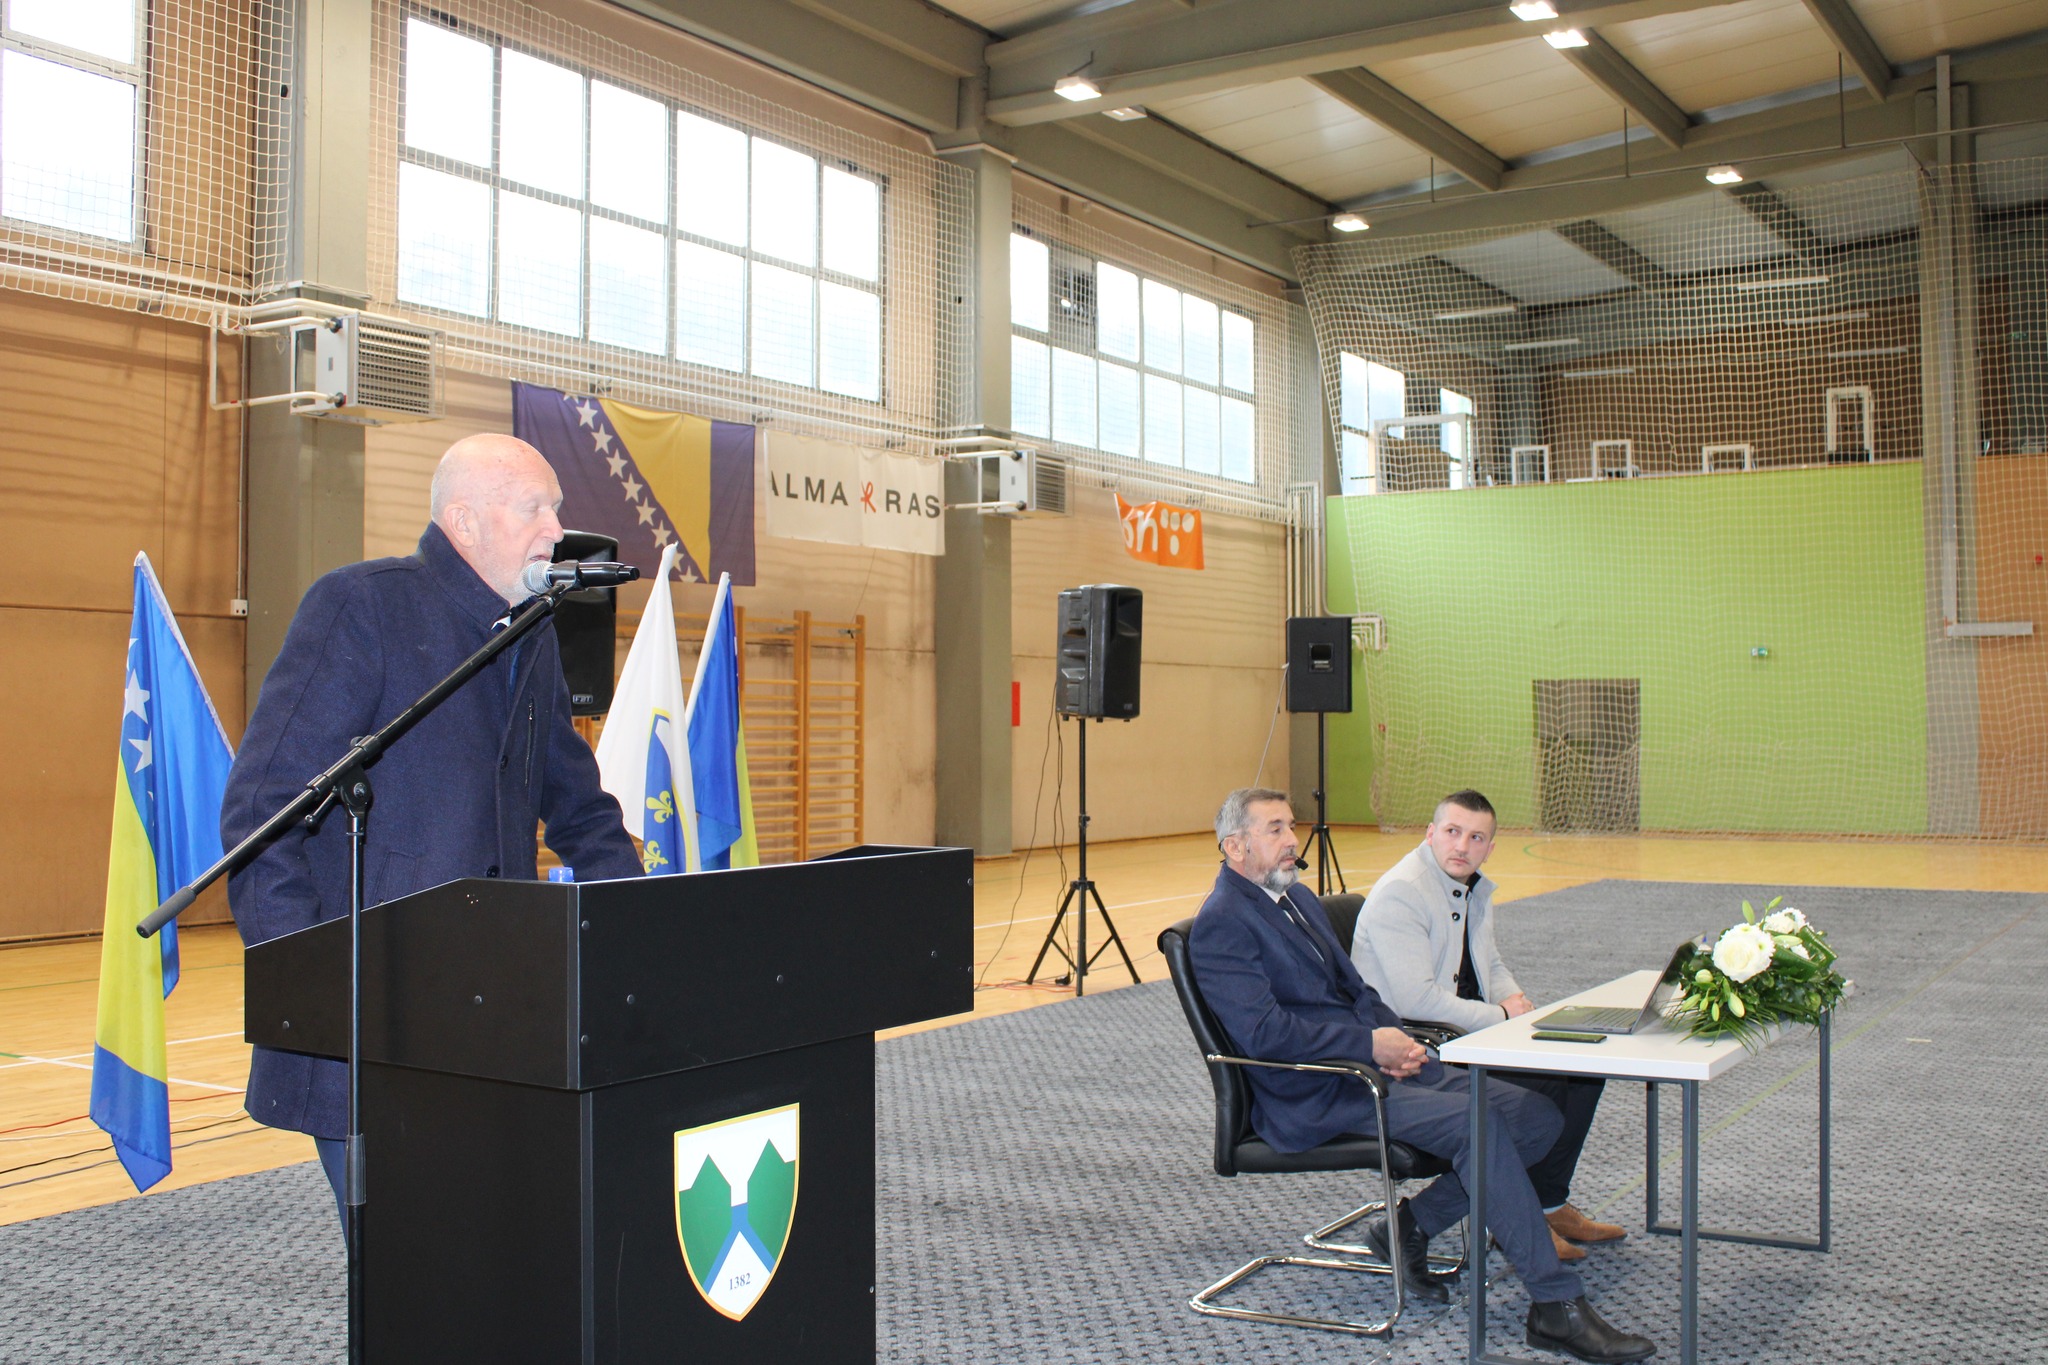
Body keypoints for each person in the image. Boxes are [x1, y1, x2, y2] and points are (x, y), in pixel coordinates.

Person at [222, 433, 644, 1221]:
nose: (557, 529)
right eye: (534, 507)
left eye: (555, 508)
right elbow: (261, 811)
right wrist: (314, 982)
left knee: (486, 1253)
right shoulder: (363, 606)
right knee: (409, 1263)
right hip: (371, 1026)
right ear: (465, 521)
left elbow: (580, 805)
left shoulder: (530, 631)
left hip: (497, 1018)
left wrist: (640, 926)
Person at [1188, 788, 1653, 1364]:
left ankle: (1409, 1224)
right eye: (1276, 829)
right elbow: (1264, 1034)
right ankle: (1555, 1305)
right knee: (1479, 1124)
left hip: (1373, 1064)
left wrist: (1396, 1040)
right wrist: (1368, 1044)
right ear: (1235, 847)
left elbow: (1357, 990)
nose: (1292, 840)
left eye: (1291, 826)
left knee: (1537, 1118)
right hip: (1317, 1089)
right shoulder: (1222, 923)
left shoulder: (1299, 898)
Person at [1352, 789, 1624, 1264]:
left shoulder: (1470, 886)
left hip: (1463, 1031)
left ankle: (1548, 1203)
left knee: (1581, 1069)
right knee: (1542, 1094)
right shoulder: (1404, 892)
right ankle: (1519, 1214)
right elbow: (1413, 1000)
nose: (1462, 846)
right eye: (1452, 832)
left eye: (1476, 838)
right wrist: (1502, 1017)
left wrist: (1518, 1004)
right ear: (1431, 833)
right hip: (1417, 1046)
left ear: (1490, 847)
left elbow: (1489, 963)